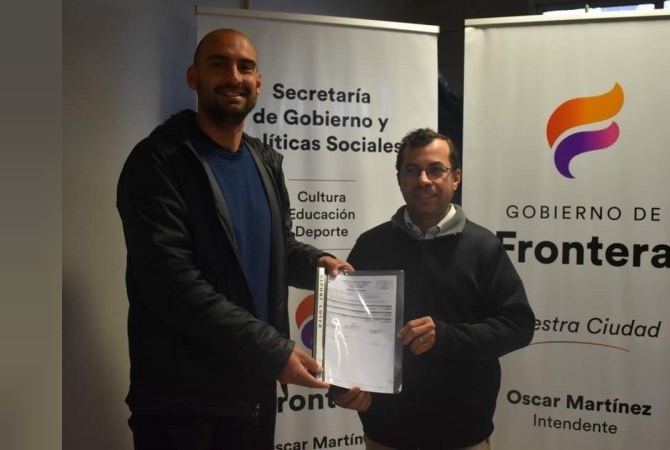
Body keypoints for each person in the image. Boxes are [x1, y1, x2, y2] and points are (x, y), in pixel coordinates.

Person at [116, 28, 353, 450]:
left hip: (252, 392)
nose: (233, 77)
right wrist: (272, 351)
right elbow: (171, 284)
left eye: (245, 67)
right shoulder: (158, 162)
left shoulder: (265, 161)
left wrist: (318, 263)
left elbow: (277, 246)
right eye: (218, 64)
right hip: (182, 403)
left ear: (258, 82)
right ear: (193, 76)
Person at [332, 128, 536, 449]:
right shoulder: (371, 245)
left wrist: (445, 336)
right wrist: (340, 387)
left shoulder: (484, 248)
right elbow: (343, 329)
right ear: (399, 179)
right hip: (385, 434)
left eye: (436, 169)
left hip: (462, 435)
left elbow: (518, 327)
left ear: (456, 178)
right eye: (412, 170)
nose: (423, 180)